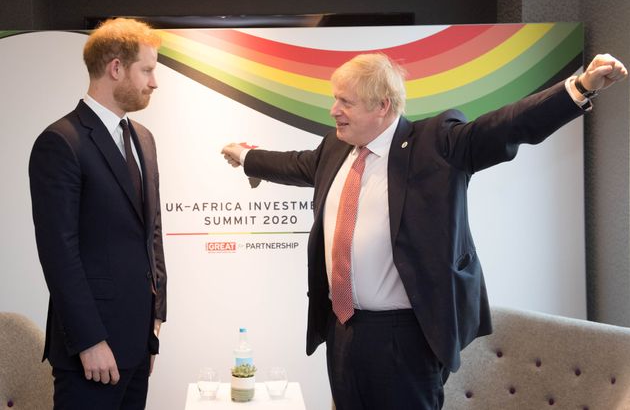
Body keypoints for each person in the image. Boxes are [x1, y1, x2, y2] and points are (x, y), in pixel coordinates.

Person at [221, 52, 626, 409]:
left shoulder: (437, 143)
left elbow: (508, 125)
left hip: (404, 339)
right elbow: (295, 164)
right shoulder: (336, 148)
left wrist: (579, 86)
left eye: (345, 101)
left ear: (382, 106)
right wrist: (247, 157)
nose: (333, 110)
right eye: (335, 98)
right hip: (342, 330)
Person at [29, 17, 167, 410]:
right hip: (91, 352)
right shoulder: (60, 142)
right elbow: (58, 252)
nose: (154, 81)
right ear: (116, 67)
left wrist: (155, 318)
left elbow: (151, 231)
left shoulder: (143, 138)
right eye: (148, 69)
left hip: (138, 343)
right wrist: (89, 339)